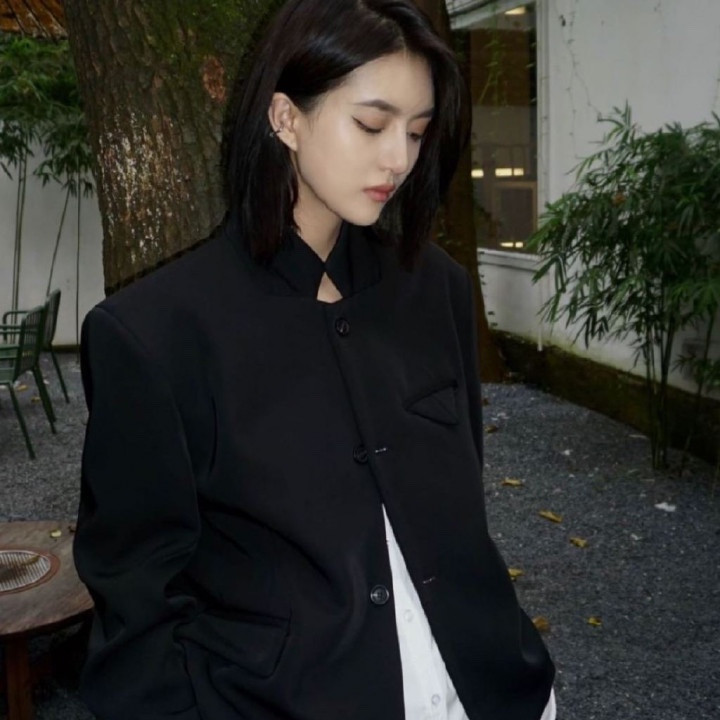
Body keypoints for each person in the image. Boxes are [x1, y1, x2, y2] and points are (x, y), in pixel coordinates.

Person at [74, 1, 556, 718]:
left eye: (416, 131)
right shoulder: (156, 335)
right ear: (285, 118)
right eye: (372, 124)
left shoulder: (436, 291)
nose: (399, 159)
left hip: (487, 688)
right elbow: (135, 605)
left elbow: (461, 509)